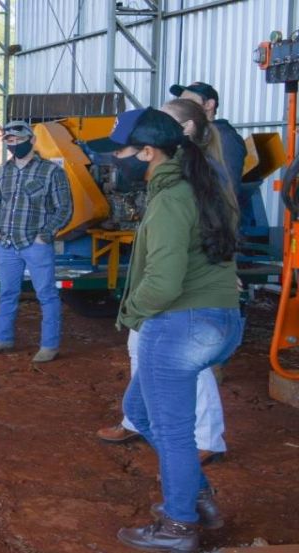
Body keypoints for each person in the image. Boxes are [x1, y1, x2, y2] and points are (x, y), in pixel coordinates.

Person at [89, 108, 242, 553]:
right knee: (138, 408)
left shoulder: (172, 198)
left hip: (182, 324)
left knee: (173, 431)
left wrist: (132, 314)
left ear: (148, 153)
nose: (115, 159)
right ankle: (199, 501)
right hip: (215, 320)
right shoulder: (197, 184)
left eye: (121, 151)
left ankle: (179, 526)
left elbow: (164, 281)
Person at [96, 99, 231, 465]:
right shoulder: (173, 181)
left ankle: (206, 439)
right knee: (140, 354)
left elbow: (186, 261)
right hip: (167, 299)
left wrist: (135, 308)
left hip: (183, 304)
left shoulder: (193, 181)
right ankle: (138, 419)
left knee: (189, 369)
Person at [0, 120, 73, 363]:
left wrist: (45, 235)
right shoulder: (2, 172)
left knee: (47, 294)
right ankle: (2, 338)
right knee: (7, 292)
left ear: (31, 140)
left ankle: (49, 345)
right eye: (9, 141)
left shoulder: (51, 171)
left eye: (18, 140)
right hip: (6, 244)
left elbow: (64, 208)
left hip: (35, 243)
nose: (14, 144)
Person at [169, 82, 246, 194]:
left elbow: (226, 189)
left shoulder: (225, 138)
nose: (182, 107)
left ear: (209, 104)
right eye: (181, 102)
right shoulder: (194, 136)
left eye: (188, 102)